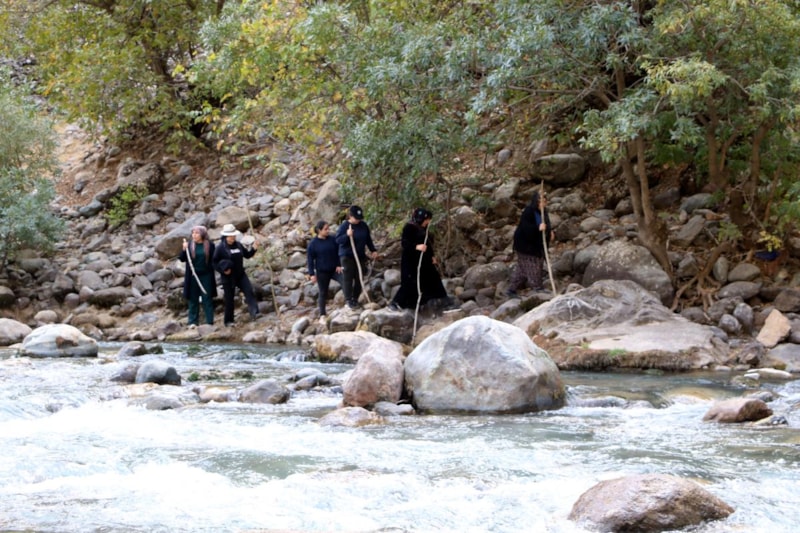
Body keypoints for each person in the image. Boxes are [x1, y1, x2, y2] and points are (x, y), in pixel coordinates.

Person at [388, 207, 453, 311]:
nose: (427, 223)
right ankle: (396, 303)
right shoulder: (409, 228)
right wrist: (416, 246)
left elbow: (428, 244)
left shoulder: (424, 228)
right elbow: (405, 243)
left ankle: (442, 300)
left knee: (433, 277)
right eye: (426, 220)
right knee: (410, 282)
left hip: (424, 260)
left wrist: (432, 256)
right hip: (411, 261)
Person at [508, 190, 555, 296]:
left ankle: (511, 289)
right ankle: (537, 287)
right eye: (541, 201)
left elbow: (546, 224)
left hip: (536, 245)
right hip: (526, 246)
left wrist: (549, 232)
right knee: (534, 266)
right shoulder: (529, 212)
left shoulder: (543, 212)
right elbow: (526, 228)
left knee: (522, 269)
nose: (544, 203)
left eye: (545, 201)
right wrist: (537, 228)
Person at [212, 223, 260, 326]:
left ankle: (255, 313)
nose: (233, 237)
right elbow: (214, 262)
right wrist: (223, 271)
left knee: (249, 291)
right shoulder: (220, 248)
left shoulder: (238, 245)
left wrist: (254, 248)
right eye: (230, 236)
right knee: (229, 299)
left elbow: (247, 255)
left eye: (234, 235)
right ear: (226, 236)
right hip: (228, 277)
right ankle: (228, 321)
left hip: (240, 274)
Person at [335, 205, 378, 309]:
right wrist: (347, 235)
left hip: (360, 255)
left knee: (359, 277)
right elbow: (338, 240)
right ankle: (349, 300)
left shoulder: (363, 226)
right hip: (347, 256)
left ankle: (355, 298)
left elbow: (368, 239)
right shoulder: (344, 226)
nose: (358, 220)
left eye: (359, 218)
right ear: (350, 216)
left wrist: (373, 250)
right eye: (356, 218)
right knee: (348, 277)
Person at [179, 225, 216, 327]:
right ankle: (193, 322)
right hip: (192, 276)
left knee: (207, 297)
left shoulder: (210, 245)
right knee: (193, 298)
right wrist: (184, 249)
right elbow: (182, 258)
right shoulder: (189, 245)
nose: (194, 235)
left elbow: (214, 259)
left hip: (206, 275)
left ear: (202, 234)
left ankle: (209, 321)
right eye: (193, 233)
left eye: (197, 233)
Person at [307, 220, 342, 323]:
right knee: (323, 292)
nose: (328, 231)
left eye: (328, 228)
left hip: (335, 269)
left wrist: (339, 264)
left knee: (345, 282)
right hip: (322, 272)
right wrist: (312, 274)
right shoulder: (313, 244)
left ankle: (349, 303)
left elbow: (339, 252)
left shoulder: (332, 239)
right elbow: (310, 260)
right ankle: (322, 314)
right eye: (325, 229)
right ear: (319, 230)